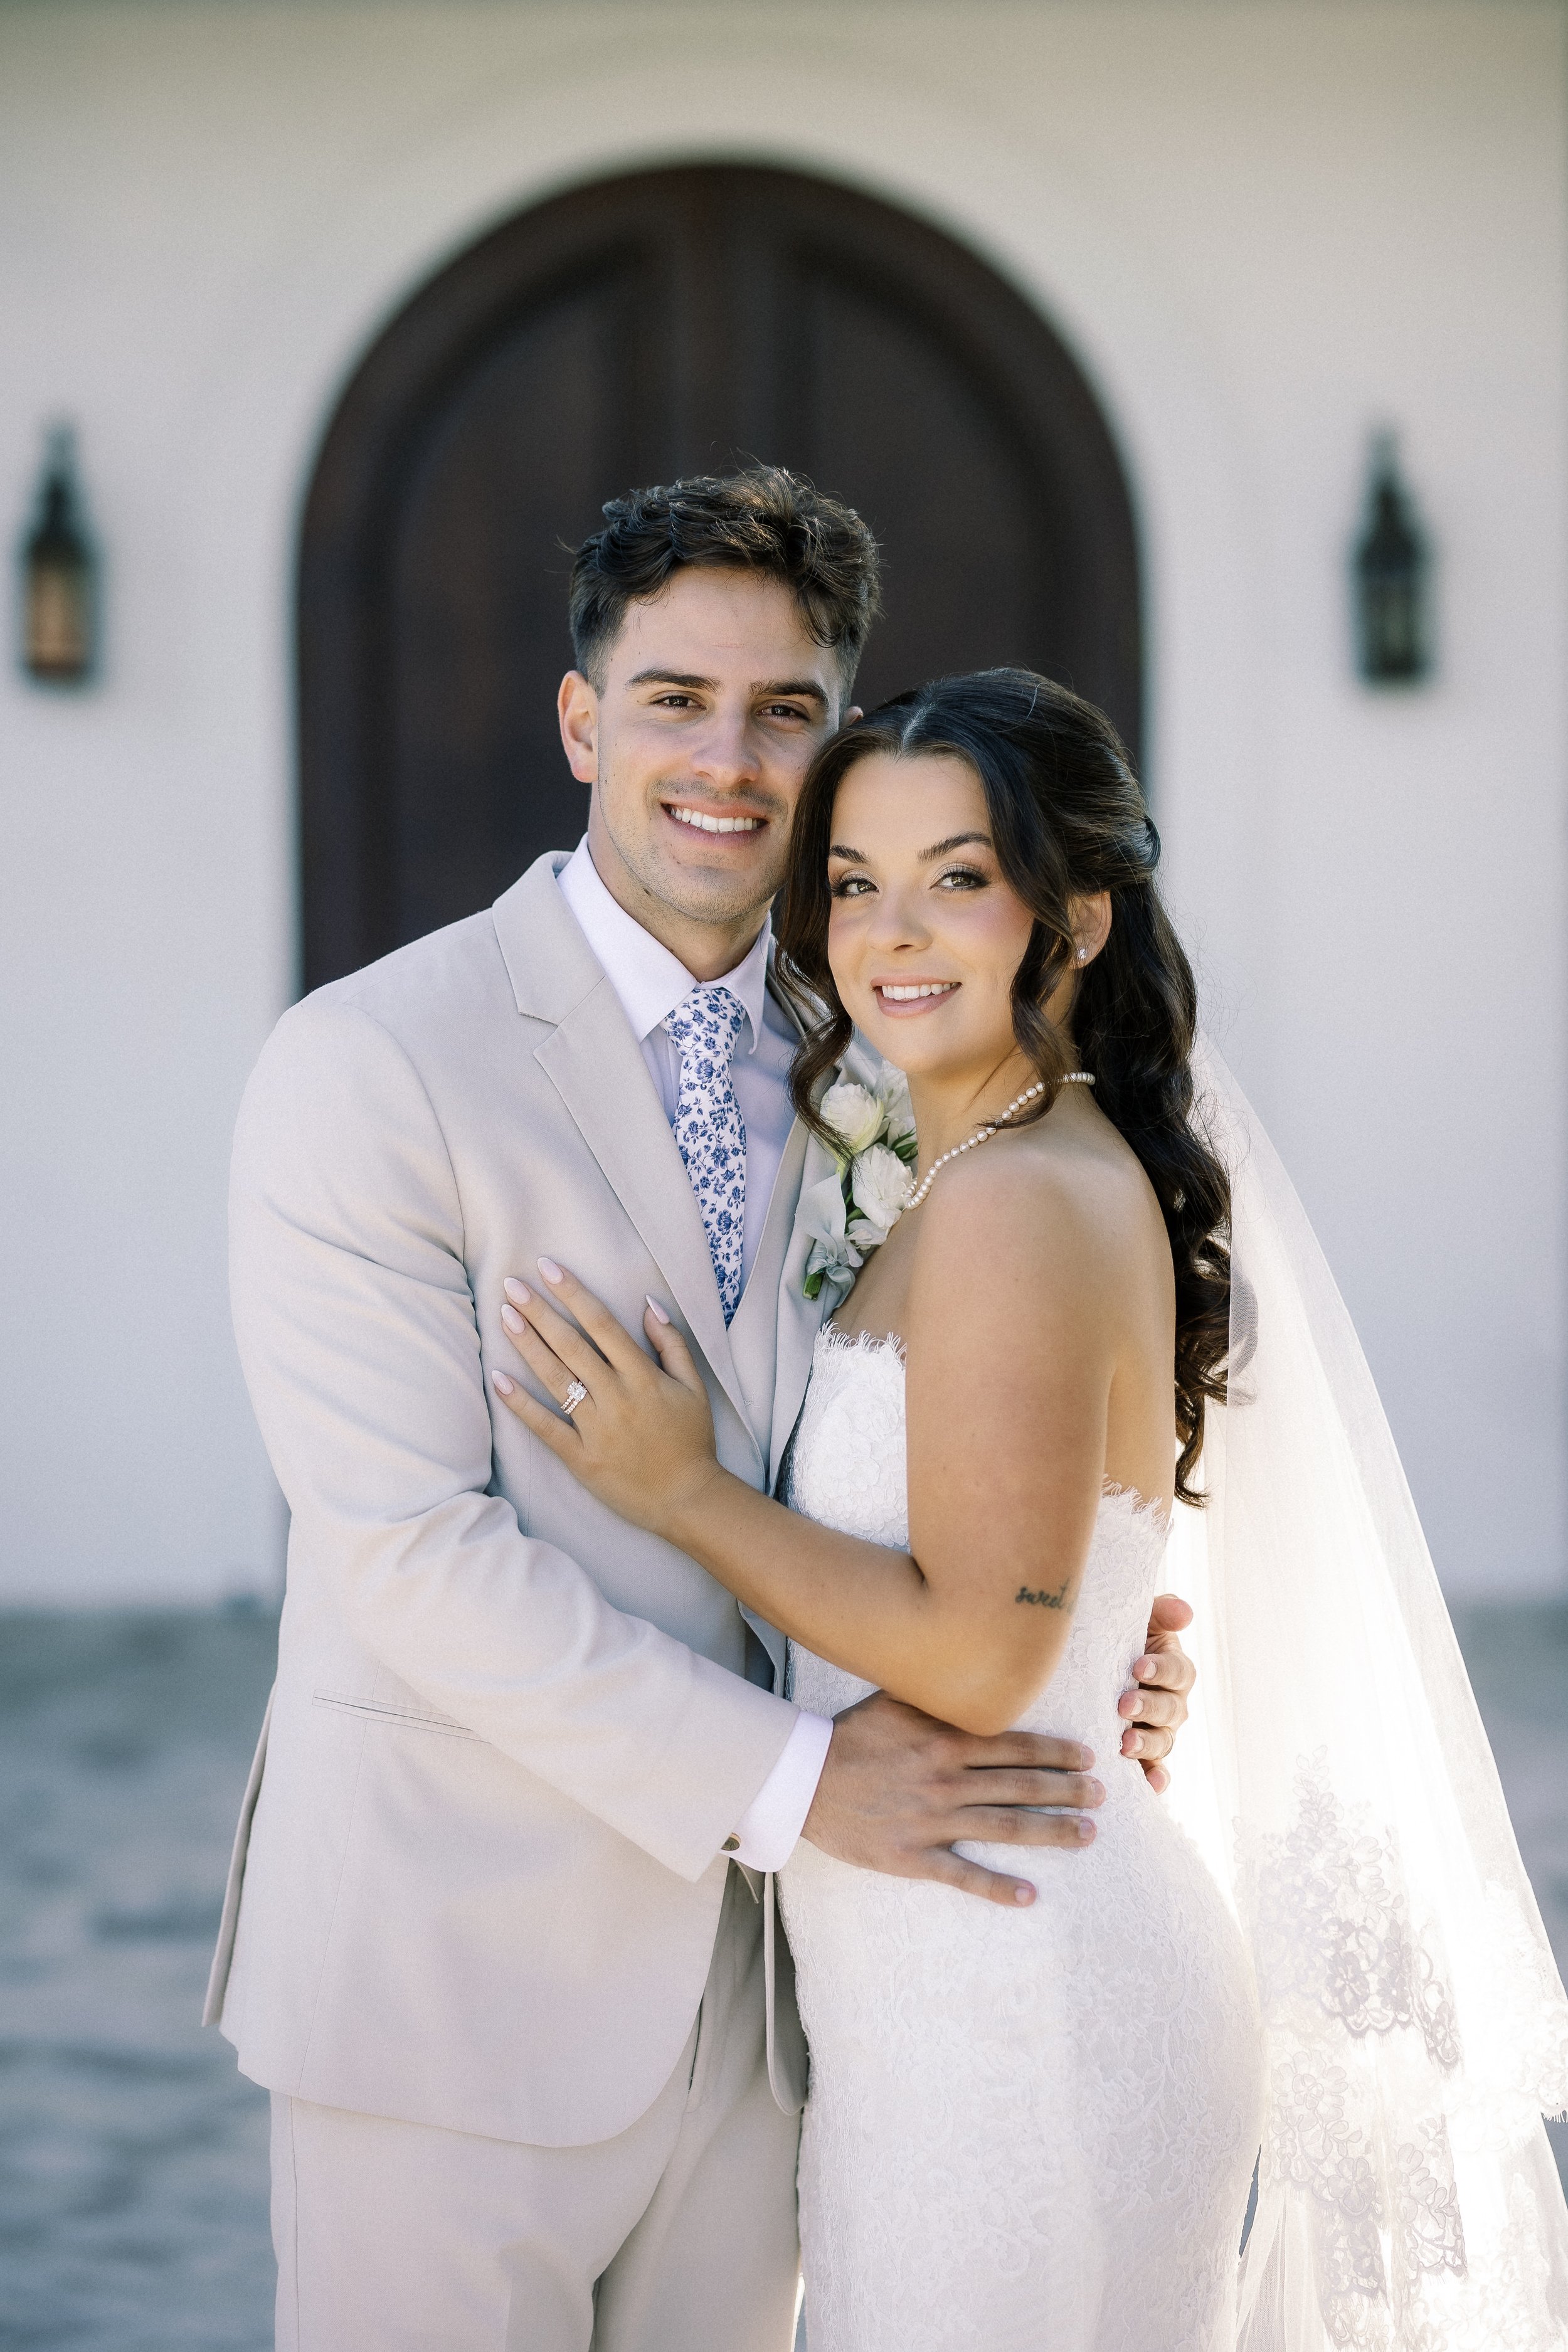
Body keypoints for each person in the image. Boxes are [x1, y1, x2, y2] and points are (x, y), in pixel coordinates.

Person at [206, 472, 1197, 2352]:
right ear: (584, 720)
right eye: (673, 699)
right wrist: (801, 1784)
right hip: (457, 1980)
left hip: (787, 2023)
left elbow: (974, 1418)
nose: (726, 759)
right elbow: (407, 1552)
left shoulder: (888, 1049)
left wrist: (1089, 1626)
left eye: (783, 711)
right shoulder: (367, 1064)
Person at [492, 668, 1568, 2351]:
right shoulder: (1002, 1169)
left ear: (1070, 915)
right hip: (953, 1999)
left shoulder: (1010, 1199)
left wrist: (682, 1490)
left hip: (1020, 2016)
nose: (889, 934)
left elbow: (983, 1661)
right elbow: (1044, 1599)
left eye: (956, 878)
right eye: (852, 883)